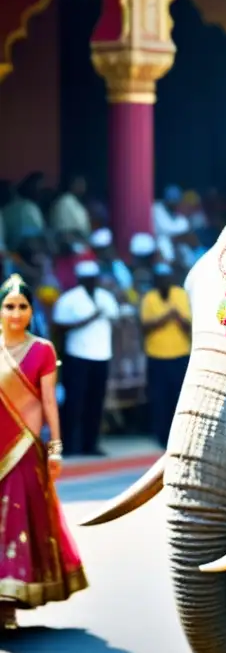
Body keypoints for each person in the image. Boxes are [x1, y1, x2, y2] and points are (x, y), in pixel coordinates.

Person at [0, 275, 87, 629]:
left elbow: (49, 401)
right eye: (9, 306)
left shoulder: (43, 350)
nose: (16, 312)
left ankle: (7, 601)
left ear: (31, 311)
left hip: (24, 449)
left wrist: (56, 449)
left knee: (15, 520)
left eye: (22, 306)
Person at [51, 261, 119, 456]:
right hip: (77, 356)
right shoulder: (69, 299)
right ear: (80, 279)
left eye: (94, 278)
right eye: (87, 279)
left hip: (101, 354)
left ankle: (91, 444)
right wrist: (87, 320)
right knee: (74, 402)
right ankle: (69, 445)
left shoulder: (105, 297)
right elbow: (58, 327)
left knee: (95, 402)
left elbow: (115, 318)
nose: (92, 281)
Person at [139, 263, 191, 446]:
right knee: (159, 397)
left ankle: (181, 434)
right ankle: (162, 436)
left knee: (180, 397)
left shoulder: (181, 295)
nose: (164, 282)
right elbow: (145, 326)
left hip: (180, 354)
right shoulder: (149, 298)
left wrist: (175, 316)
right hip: (157, 355)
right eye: (160, 279)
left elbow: (188, 325)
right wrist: (166, 317)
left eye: (166, 278)